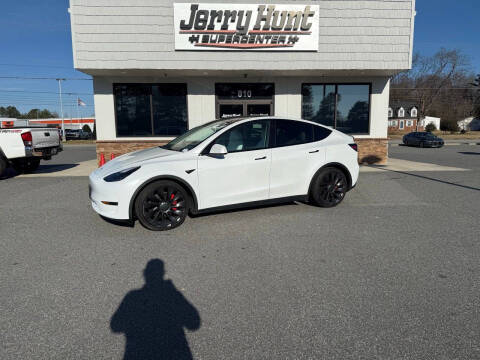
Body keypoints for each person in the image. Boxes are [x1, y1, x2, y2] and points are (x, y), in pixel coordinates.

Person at [111, 259, 201, 360]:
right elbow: (194, 324)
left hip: (138, 352)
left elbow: (115, 326)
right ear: (163, 273)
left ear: (144, 273)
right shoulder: (173, 295)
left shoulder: (132, 296)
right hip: (174, 351)